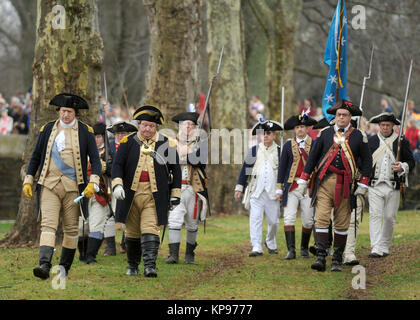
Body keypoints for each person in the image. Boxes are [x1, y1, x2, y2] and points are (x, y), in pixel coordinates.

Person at [22, 93, 102, 279]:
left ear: (76, 113)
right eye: (64, 111)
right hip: (49, 184)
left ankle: (64, 268)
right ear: (59, 111)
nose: (66, 115)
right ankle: (44, 264)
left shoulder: (85, 131)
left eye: (70, 112)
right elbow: (35, 157)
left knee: (71, 229)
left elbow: (96, 161)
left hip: (73, 188)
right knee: (48, 224)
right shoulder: (47, 129)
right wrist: (28, 179)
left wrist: (94, 181)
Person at [296, 100, 372, 272]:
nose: (341, 118)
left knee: (342, 222)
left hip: (346, 184)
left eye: (345, 115)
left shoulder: (359, 136)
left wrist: (363, 184)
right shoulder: (324, 133)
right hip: (324, 182)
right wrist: (303, 179)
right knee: (321, 218)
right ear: (335, 116)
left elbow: (367, 162)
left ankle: (337, 259)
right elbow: (313, 158)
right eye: (339, 115)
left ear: (350, 117)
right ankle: (321, 257)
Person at [111, 105, 182, 277]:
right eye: (144, 125)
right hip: (131, 194)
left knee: (151, 228)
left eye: (151, 126)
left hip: (154, 194)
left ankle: (150, 266)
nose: (147, 129)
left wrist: (175, 194)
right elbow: (117, 166)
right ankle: (132, 265)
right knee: (133, 231)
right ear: (139, 125)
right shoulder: (127, 142)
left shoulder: (167, 144)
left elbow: (176, 170)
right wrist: (118, 185)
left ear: (156, 127)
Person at [367, 112, 415, 258]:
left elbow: (411, 162)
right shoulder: (371, 141)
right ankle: (375, 247)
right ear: (379, 126)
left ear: (393, 126)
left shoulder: (401, 141)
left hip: (393, 185)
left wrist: (402, 166)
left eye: (388, 125)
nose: (385, 127)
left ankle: (384, 245)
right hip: (374, 185)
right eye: (382, 125)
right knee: (375, 215)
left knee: (389, 217)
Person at [165, 112, 209, 264]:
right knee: (174, 220)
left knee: (192, 223)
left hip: (193, 189)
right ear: (180, 126)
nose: (188, 127)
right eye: (185, 124)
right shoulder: (170, 143)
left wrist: (187, 153)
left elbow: (200, 162)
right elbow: (166, 161)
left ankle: (190, 254)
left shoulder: (200, 143)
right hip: (175, 189)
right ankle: (173, 255)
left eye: (191, 124)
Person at [234, 119, 282, 257]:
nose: (265, 136)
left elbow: (284, 172)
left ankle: (270, 242)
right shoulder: (254, 150)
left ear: (274, 135)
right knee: (255, 219)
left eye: (268, 133)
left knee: (273, 221)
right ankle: (256, 246)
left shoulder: (280, 151)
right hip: (256, 191)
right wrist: (239, 188)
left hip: (273, 192)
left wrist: (282, 188)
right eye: (263, 133)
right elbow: (246, 170)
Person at [277, 112, 317, 259]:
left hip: (307, 186)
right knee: (289, 217)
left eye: (303, 127)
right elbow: (282, 168)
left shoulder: (314, 144)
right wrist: (278, 188)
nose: (300, 129)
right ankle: (291, 250)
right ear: (295, 129)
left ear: (307, 129)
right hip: (291, 186)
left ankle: (304, 248)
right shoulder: (288, 145)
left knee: (308, 219)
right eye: (298, 127)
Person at [77, 122, 113, 264]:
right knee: (81, 227)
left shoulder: (110, 153)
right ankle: (83, 255)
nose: (97, 139)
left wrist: (106, 167)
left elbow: (115, 170)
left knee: (96, 225)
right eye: (94, 136)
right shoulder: (82, 151)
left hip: (100, 194)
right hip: (82, 193)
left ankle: (91, 256)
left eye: (99, 136)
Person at [107, 120, 138, 254]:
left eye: (123, 133)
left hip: (129, 183)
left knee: (128, 212)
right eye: (118, 133)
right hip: (110, 183)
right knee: (110, 214)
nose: (120, 136)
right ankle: (110, 247)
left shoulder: (133, 146)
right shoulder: (109, 148)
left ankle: (125, 243)